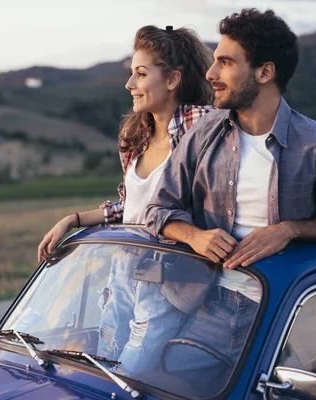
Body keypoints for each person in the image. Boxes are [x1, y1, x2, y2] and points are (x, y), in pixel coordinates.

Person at [145, 8, 316, 386]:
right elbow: (159, 209)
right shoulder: (201, 135)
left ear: (264, 73)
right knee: (163, 384)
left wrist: (289, 230)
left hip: (297, 314)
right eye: (214, 62)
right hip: (212, 303)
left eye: (225, 62)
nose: (211, 74)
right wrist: (195, 235)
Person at [37, 25, 215, 374]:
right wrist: (72, 220)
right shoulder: (135, 136)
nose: (129, 85)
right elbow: (130, 208)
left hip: (166, 283)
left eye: (141, 74)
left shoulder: (202, 126)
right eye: (131, 74)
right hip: (121, 277)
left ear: (173, 80)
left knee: (131, 375)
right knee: (102, 372)